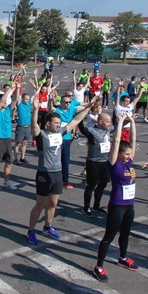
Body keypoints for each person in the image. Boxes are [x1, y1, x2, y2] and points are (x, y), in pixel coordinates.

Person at [27, 96, 97, 244]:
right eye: (56, 123)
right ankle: (31, 231)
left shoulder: (60, 133)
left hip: (57, 174)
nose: (59, 125)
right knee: (40, 204)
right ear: (48, 123)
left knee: (53, 203)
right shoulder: (42, 135)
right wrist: (35, 110)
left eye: (59, 123)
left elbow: (75, 121)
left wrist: (88, 107)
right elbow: (34, 126)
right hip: (44, 174)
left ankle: (47, 227)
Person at [92, 113, 137, 282]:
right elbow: (117, 140)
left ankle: (123, 258)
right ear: (118, 154)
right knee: (109, 236)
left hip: (129, 205)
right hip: (117, 205)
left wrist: (132, 122)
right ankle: (99, 266)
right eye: (126, 154)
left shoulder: (129, 163)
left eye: (130, 154)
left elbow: (133, 140)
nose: (128, 156)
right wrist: (120, 122)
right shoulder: (114, 164)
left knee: (125, 233)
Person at [79, 112, 113, 216]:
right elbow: (82, 128)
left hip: (105, 162)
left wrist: (128, 119)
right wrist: (80, 116)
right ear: (101, 122)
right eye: (108, 122)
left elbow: (118, 125)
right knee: (91, 185)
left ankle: (96, 206)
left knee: (103, 184)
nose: (110, 123)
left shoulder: (108, 129)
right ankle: (86, 207)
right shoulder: (91, 131)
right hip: (93, 162)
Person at [0, 85, 17, 193]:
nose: (5, 102)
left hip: (7, 139)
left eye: (6, 101)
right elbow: (1, 101)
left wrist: (17, 88)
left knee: (9, 162)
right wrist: (10, 89)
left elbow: (15, 100)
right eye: (3, 101)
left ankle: (6, 182)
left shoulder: (8, 110)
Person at [13, 93, 32, 165]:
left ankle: (22, 157)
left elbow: (35, 95)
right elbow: (17, 97)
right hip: (21, 127)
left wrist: (38, 88)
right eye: (26, 99)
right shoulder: (19, 105)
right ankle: (15, 159)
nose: (27, 100)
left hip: (28, 127)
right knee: (17, 143)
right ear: (22, 99)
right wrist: (18, 88)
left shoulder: (28, 104)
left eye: (28, 99)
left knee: (25, 143)